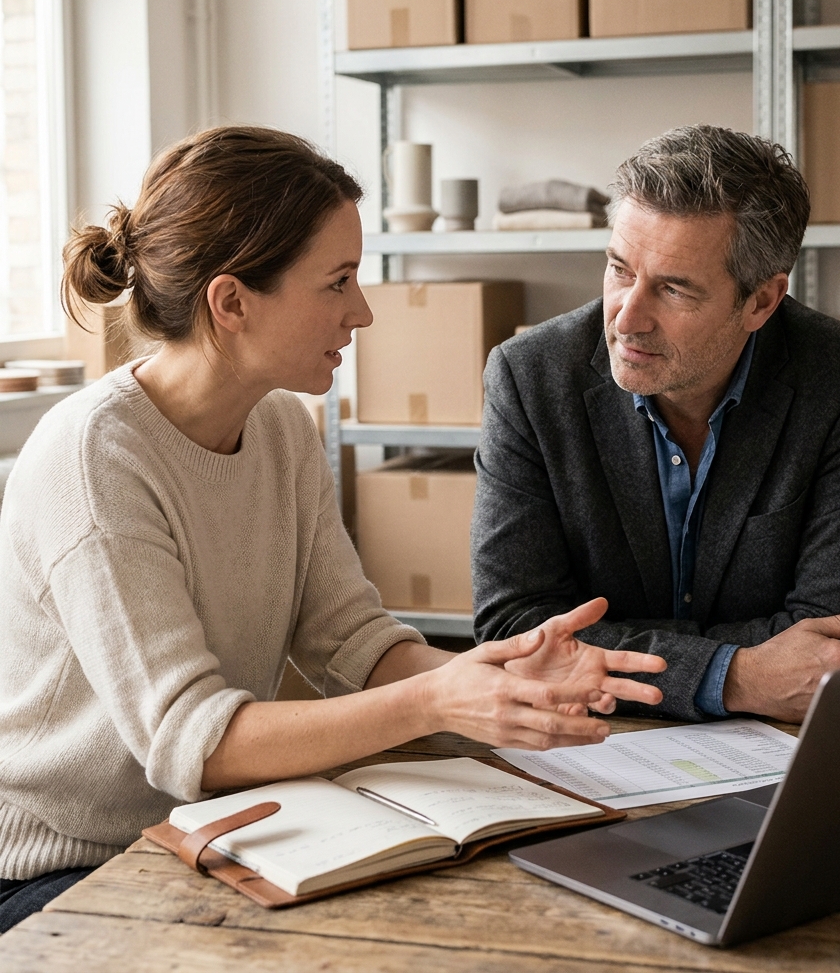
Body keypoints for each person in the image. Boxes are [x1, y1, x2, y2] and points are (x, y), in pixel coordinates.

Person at [0, 126, 666, 933]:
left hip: (212, 833)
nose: (363, 310)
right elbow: (193, 741)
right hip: (61, 867)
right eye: (339, 280)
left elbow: (349, 639)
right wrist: (436, 701)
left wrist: (493, 677)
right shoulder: (95, 457)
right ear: (232, 301)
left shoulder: (280, 427)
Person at [472, 125, 840, 726]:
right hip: (589, 740)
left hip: (775, 749)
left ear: (761, 302)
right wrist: (734, 675)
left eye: (673, 289)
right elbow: (514, 631)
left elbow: (837, 645)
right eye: (620, 269)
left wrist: (610, 647)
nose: (626, 318)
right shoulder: (529, 377)